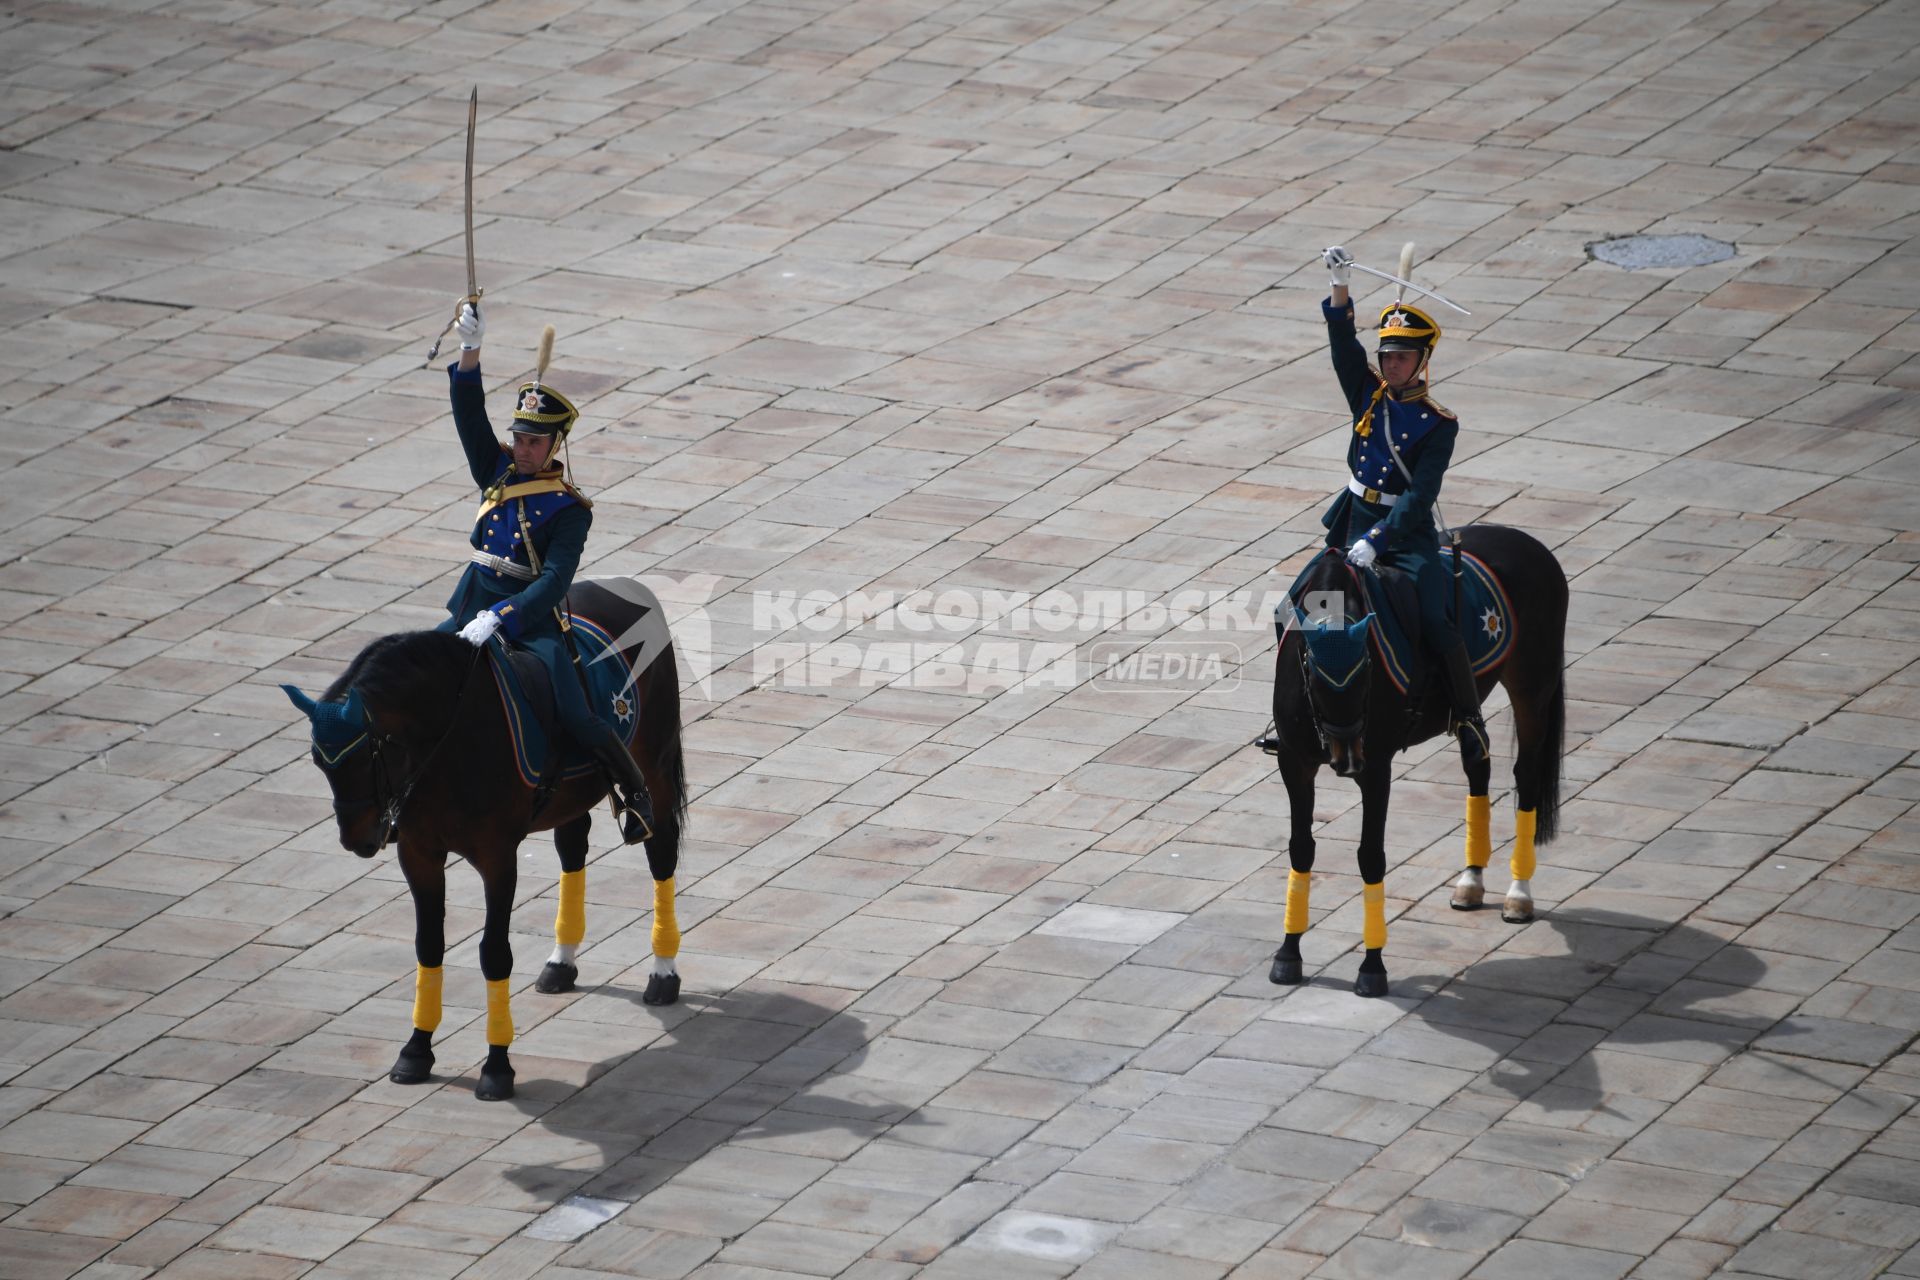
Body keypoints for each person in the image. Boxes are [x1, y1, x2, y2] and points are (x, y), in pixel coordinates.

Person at [441, 302, 653, 842]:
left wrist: (503, 617)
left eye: (534, 441)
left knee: (579, 715)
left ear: (555, 444)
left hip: (530, 622)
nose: (523, 448)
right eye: (518, 437)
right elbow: (468, 415)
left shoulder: (569, 510)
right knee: (410, 674)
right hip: (469, 607)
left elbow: (555, 582)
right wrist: (471, 350)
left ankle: (636, 792)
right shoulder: (497, 470)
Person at [1318, 246, 1488, 765]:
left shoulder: (1440, 423)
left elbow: (1420, 496)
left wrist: (1379, 540)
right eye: (1387, 355)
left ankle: (1466, 716)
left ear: (1422, 360)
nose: (1390, 364)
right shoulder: (1368, 395)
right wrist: (1340, 287)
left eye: (1401, 356)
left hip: (1403, 532)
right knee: (1305, 606)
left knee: (1437, 622)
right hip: (1351, 518)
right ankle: (1307, 706)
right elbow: (1344, 345)